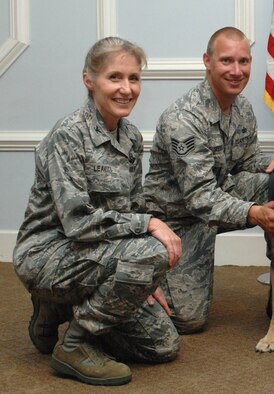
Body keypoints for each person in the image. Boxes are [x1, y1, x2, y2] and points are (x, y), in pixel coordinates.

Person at [13, 37, 182, 386]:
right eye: (114, 77)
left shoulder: (131, 137)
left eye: (133, 78)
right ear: (89, 80)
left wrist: (142, 280)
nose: (126, 89)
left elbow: (131, 207)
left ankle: (59, 307)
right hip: (49, 253)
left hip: (99, 254)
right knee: (155, 247)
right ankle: (74, 344)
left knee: (164, 345)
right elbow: (77, 224)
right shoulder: (68, 135)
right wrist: (146, 238)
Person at [142, 26, 274, 335]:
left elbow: (247, 168)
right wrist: (254, 213)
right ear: (207, 62)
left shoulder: (243, 109)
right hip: (177, 220)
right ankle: (137, 280)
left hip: (218, 200)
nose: (237, 71)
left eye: (243, 62)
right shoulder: (183, 119)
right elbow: (199, 197)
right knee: (188, 320)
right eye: (226, 61)